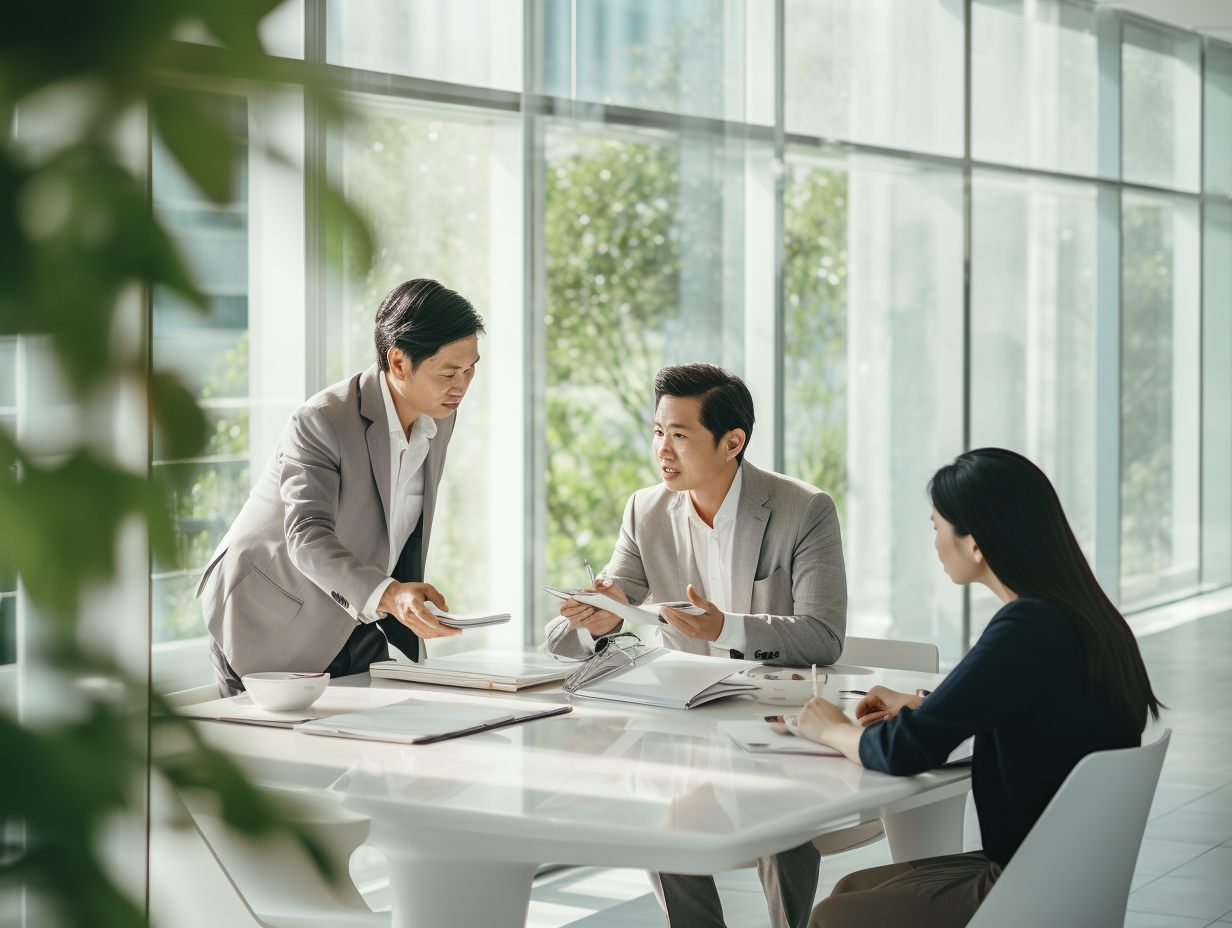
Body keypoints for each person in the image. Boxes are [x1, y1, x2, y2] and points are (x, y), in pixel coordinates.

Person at [789, 448, 1163, 928]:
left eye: (937, 528)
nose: (936, 543)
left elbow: (906, 751)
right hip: (1073, 873)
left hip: (1026, 883)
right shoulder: (1084, 616)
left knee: (834, 916)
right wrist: (923, 704)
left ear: (976, 542)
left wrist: (833, 729)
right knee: (853, 888)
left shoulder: (1026, 626)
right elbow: (1032, 710)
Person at [546, 362, 848, 928]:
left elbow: (824, 635)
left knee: (783, 824)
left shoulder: (804, 509)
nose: (663, 450)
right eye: (658, 431)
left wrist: (726, 630)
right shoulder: (647, 511)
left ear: (733, 442)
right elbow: (564, 642)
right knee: (658, 815)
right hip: (684, 726)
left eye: (680, 435)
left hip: (772, 721)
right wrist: (599, 618)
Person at [197, 279, 485, 696]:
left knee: (391, 739)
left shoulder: (439, 413)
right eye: (448, 372)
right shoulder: (321, 420)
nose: (462, 385)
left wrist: (397, 596)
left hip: (352, 616)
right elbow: (307, 536)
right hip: (267, 617)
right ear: (399, 362)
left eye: (471, 368)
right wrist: (390, 594)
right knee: (282, 757)